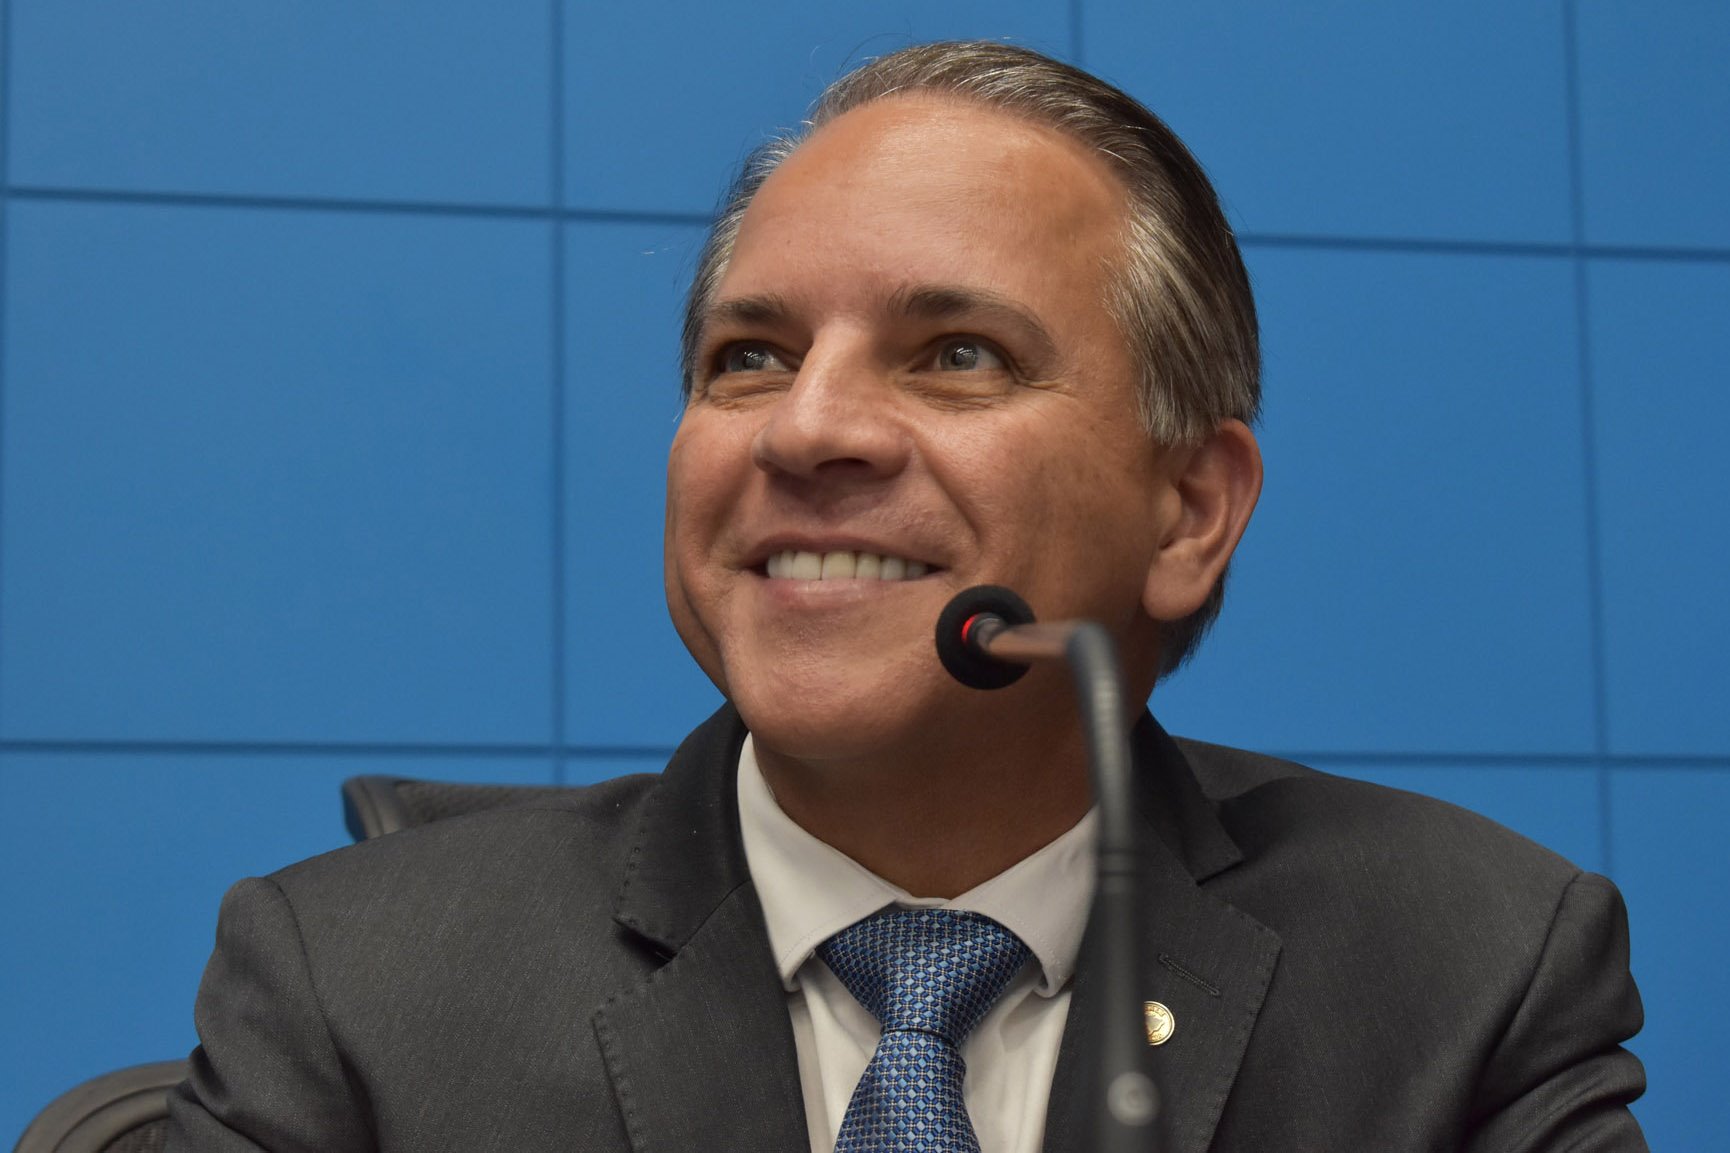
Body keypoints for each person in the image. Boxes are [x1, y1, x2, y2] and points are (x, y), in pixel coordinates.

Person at [166, 41, 1647, 1152]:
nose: (806, 429)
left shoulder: (1466, 973)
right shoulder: (353, 990)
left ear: (1190, 511)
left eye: (956, 356)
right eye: (749, 357)